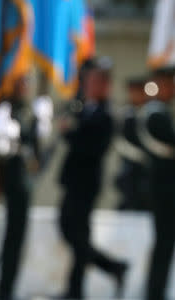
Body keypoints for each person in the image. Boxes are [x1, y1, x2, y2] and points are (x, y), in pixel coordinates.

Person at [57, 57, 127, 299]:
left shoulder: (106, 114)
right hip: (73, 182)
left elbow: (94, 146)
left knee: (77, 237)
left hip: (86, 185)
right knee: (71, 233)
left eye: (94, 81)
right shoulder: (83, 108)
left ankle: (77, 290)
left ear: (105, 85)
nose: (89, 85)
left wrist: (70, 133)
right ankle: (111, 268)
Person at [0, 75, 39, 300]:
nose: (24, 86)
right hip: (6, 179)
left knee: (16, 237)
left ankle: (7, 289)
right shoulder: (5, 109)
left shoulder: (29, 112)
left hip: (22, 180)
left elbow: (35, 151)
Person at [138, 65, 175, 300]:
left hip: (167, 187)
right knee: (163, 243)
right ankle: (155, 293)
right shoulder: (155, 113)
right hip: (164, 188)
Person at [115, 75, 150, 211]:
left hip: (147, 169)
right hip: (130, 166)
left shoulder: (148, 113)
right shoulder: (125, 114)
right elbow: (120, 142)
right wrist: (139, 155)